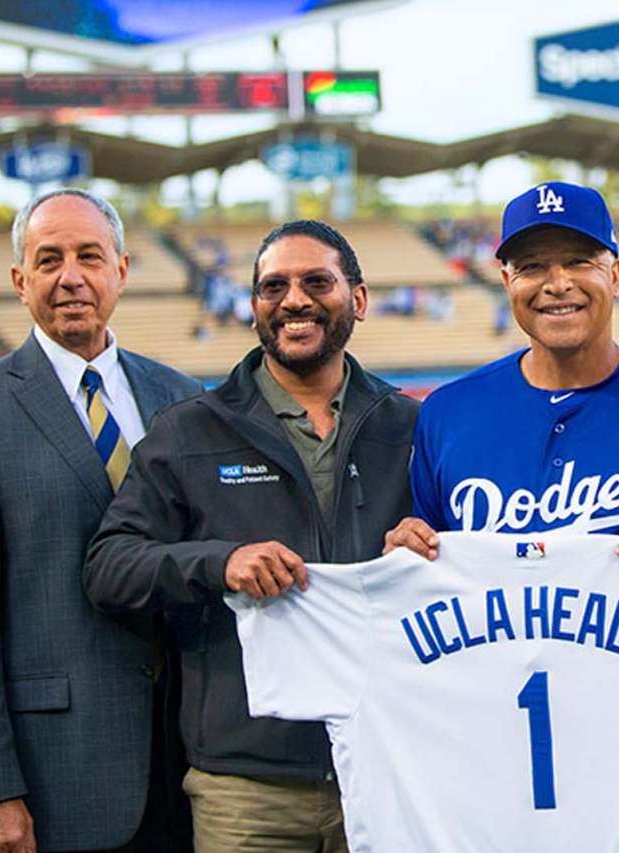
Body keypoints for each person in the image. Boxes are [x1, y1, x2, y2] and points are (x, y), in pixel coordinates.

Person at [85, 220, 420, 853]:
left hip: (388, 767)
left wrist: (431, 546)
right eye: (274, 286)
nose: (294, 299)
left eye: (316, 282)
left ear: (360, 299)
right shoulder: (189, 432)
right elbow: (109, 567)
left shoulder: (411, 426)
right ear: (255, 308)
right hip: (246, 789)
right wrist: (220, 563)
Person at [0, 188, 200, 853]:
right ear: (20, 282)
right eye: (48, 260)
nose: (70, 276)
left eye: (88, 256)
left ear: (122, 270)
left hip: (190, 768)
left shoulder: (182, 400)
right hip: (58, 782)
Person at [386, 182, 619, 574]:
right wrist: (406, 558)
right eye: (532, 266)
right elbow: (426, 570)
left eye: (578, 261)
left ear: (616, 276)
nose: (557, 284)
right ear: (508, 284)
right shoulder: (447, 415)